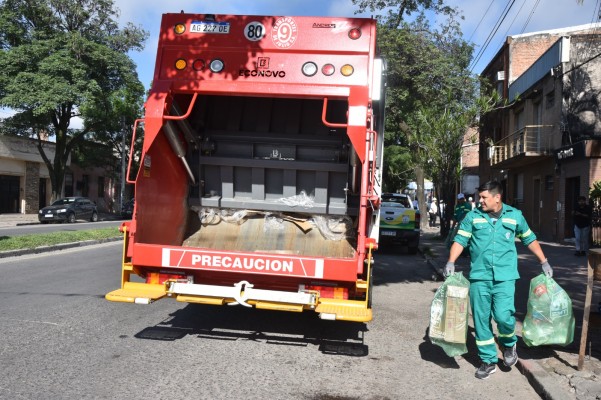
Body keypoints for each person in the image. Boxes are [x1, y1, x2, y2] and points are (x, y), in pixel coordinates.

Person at [444, 181, 552, 380]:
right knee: (481, 319)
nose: (480, 201)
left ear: (497, 197)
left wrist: (543, 261)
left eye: (484, 198)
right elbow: (460, 240)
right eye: (480, 197)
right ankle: (488, 360)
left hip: (505, 277)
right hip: (479, 276)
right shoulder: (473, 216)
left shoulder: (514, 216)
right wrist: (451, 261)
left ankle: (509, 344)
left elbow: (529, 238)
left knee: (504, 316)